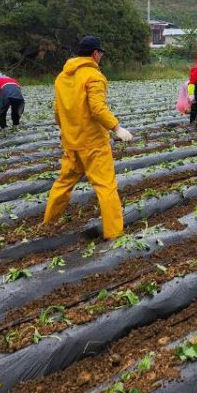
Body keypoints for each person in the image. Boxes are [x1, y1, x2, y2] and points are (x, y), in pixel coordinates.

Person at [43, 36, 133, 240]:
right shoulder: (94, 76)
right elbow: (97, 108)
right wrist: (117, 128)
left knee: (63, 183)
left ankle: (48, 223)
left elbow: (58, 111)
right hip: (93, 144)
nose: (101, 57)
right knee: (106, 187)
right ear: (95, 54)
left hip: (71, 142)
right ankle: (114, 233)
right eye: (100, 53)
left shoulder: (62, 77)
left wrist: (66, 130)